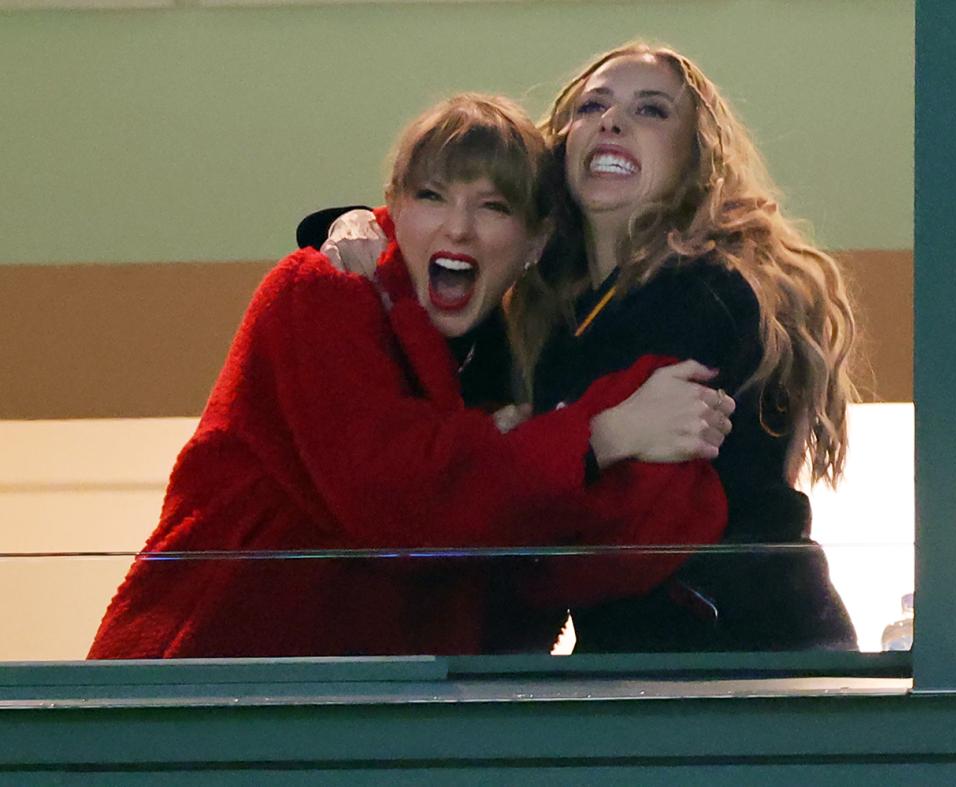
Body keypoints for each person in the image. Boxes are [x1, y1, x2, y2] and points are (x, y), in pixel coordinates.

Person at [88, 94, 732, 660]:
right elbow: (402, 497)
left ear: (535, 241)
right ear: (392, 204)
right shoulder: (321, 293)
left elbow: (528, 554)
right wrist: (602, 436)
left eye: (492, 205)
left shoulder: (514, 366)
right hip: (202, 698)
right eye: (431, 196)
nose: (458, 226)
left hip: (379, 721)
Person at [320, 44, 859, 652]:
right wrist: (354, 223)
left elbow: (626, 525)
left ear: (698, 157)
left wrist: (524, 470)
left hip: (753, 657)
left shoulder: (719, 291)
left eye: (651, 110)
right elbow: (443, 218)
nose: (612, 121)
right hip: (635, 668)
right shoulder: (546, 313)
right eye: (592, 106)